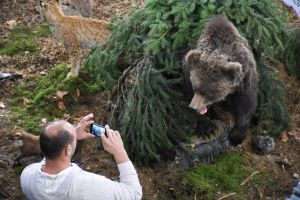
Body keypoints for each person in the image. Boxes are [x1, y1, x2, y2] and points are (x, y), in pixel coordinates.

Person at [20, 113, 142, 200]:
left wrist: (73, 137)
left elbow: (49, 156)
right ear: (67, 150)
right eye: (73, 132)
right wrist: (120, 152)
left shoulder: (27, 176)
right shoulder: (90, 185)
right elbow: (134, 194)